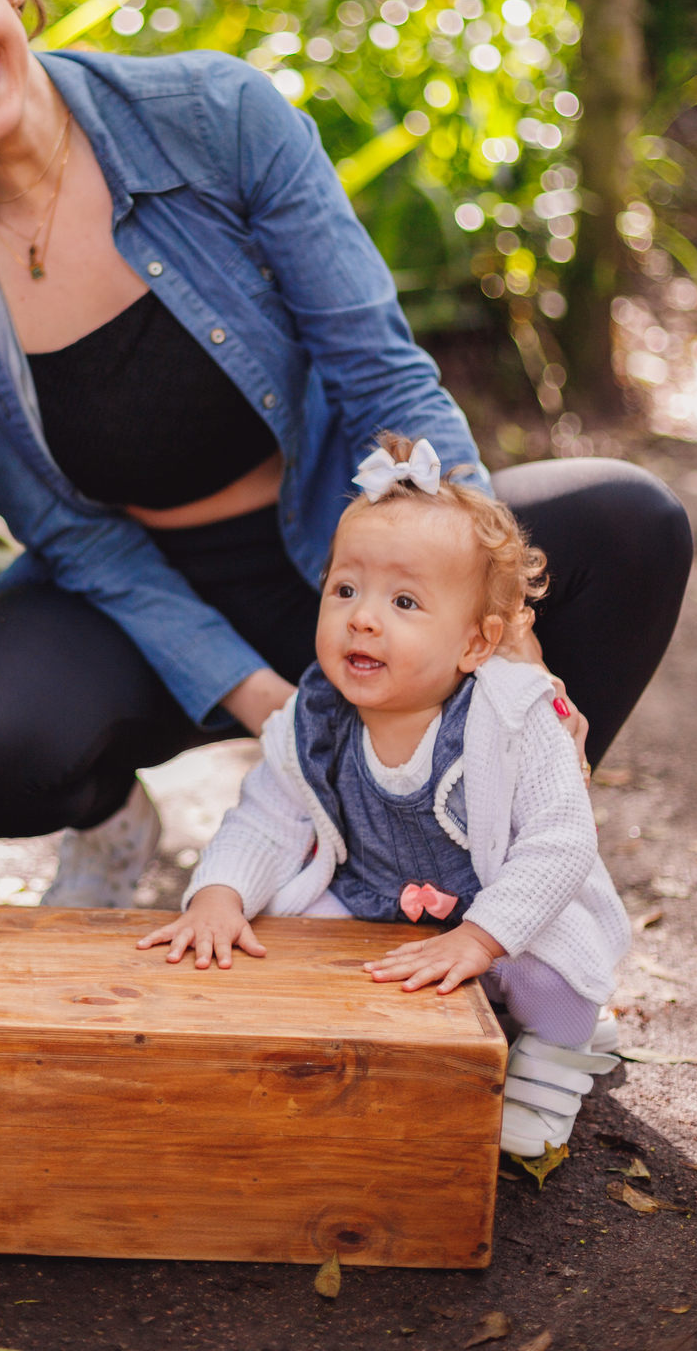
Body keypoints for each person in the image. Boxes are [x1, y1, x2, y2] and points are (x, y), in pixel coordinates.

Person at [0, 0, 692, 909]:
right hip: (146, 588)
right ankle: (107, 829)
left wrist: (502, 641)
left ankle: (494, 862)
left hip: (352, 547)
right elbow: (71, 533)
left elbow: (383, 379)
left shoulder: (213, 117)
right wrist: (272, 716)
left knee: (629, 522)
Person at [137, 437, 628, 1159]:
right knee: (272, 933)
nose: (363, 619)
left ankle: (558, 1052)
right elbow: (268, 818)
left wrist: (481, 937)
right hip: (379, 901)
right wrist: (220, 891)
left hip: (503, 913)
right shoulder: (316, 719)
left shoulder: (514, 717)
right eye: (345, 590)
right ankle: (341, 1049)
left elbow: (561, 843)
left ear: (475, 643)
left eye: (404, 601)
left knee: (546, 971)